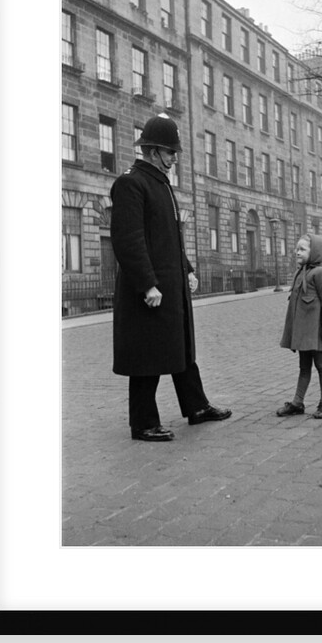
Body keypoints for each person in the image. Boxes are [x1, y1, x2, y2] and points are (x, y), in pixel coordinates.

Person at [109, 113, 232, 441]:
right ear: (151, 152)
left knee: (181, 349)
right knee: (146, 357)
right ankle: (143, 422)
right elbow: (128, 240)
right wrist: (147, 283)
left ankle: (196, 406)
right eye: (169, 152)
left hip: (170, 285)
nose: (174, 158)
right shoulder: (130, 183)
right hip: (148, 290)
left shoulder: (160, 184)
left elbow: (168, 238)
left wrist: (187, 269)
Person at [276, 234, 322, 420]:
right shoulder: (300, 272)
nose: (297, 253)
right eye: (297, 249)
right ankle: (297, 402)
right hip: (303, 332)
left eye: (302, 249)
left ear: (315, 252)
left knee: (320, 364)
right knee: (304, 366)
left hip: (316, 331)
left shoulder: (320, 274)